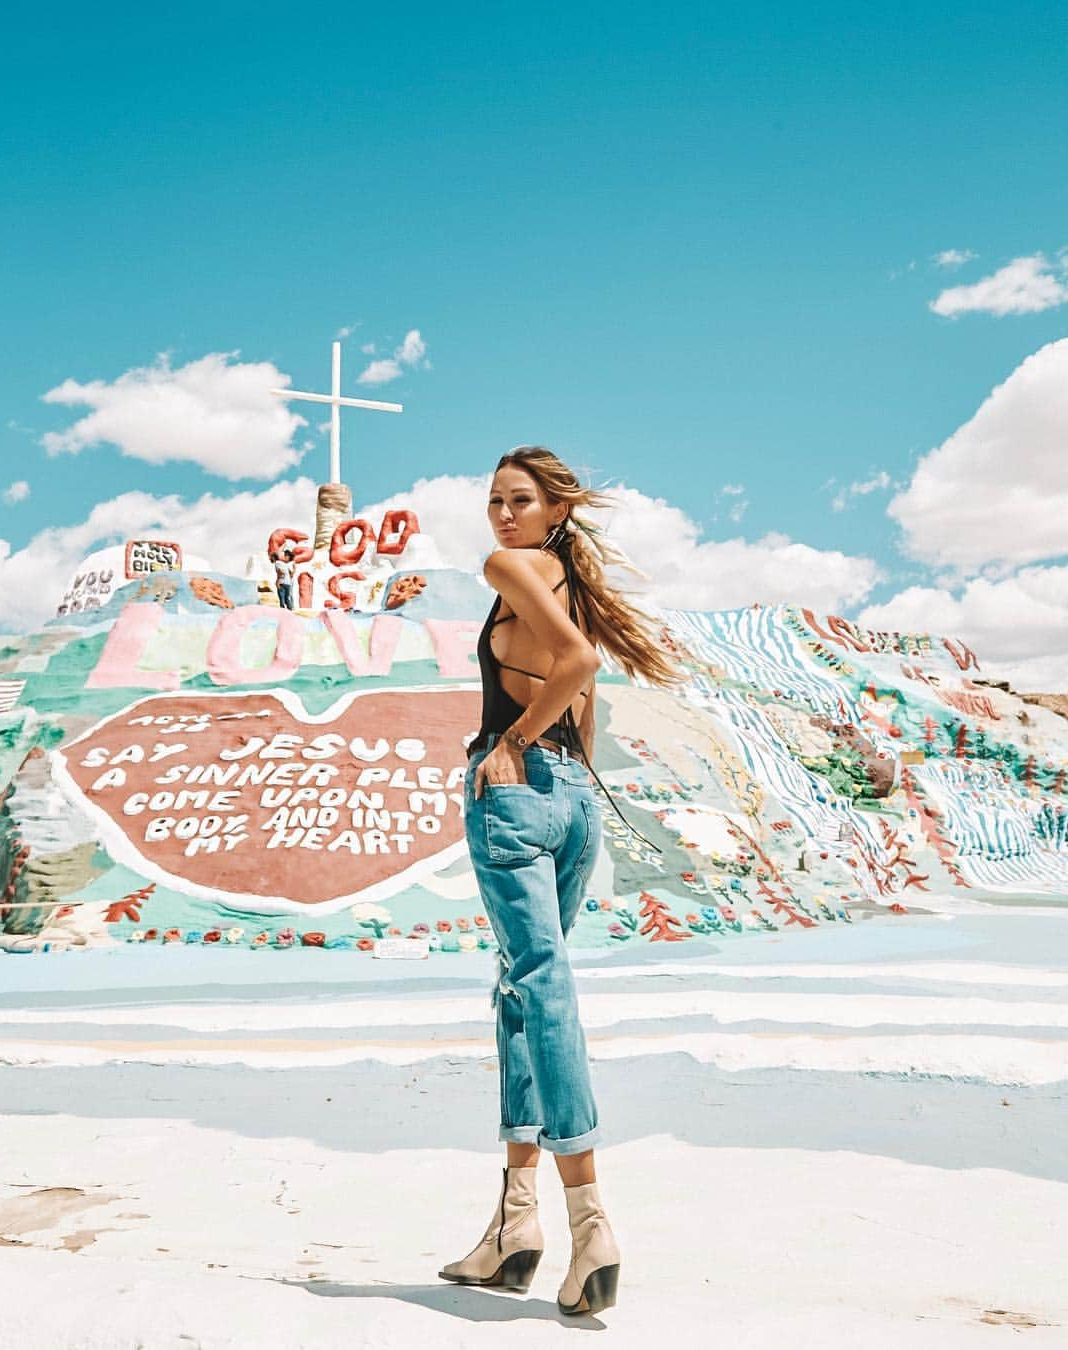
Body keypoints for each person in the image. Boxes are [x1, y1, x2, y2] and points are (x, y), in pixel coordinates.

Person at [438, 446, 685, 1316]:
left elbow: (577, 665)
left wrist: (509, 741)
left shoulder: (507, 569)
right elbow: (588, 688)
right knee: (520, 994)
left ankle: (590, 1227)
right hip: (576, 800)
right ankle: (515, 1225)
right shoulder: (567, 583)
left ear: (555, 511)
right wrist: (552, 757)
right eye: (494, 501)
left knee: (541, 992)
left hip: (515, 797)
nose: (502, 516)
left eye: (519, 500)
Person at [273, 545, 295, 610]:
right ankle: (290, 610)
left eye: (286, 555)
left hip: (282, 583)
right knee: (287, 598)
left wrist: (277, 581)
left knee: (283, 599)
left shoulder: (279, 563)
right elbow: (291, 573)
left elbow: (280, 573)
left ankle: (284, 611)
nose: (284, 556)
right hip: (288, 583)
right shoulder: (287, 564)